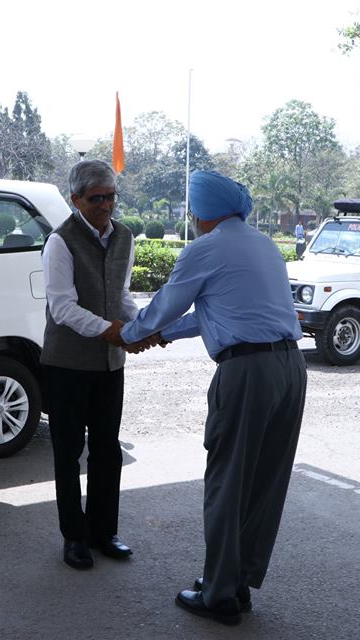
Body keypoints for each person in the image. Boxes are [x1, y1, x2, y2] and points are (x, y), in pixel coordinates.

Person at [119, 170, 307, 626]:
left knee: (227, 481)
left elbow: (168, 305)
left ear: (201, 212)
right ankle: (237, 581)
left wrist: (129, 334)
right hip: (290, 368)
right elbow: (217, 312)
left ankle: (218, 594)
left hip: (246, 372)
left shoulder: (203, 250)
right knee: (264, 483)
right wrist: (163, 335)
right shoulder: (263, 245)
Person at [40, 160, 139, 570]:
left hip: (109, 365)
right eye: (96, 198)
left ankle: (103, 531)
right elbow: (62, 307)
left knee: (107, 449)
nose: (106, 205)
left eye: (111, 196)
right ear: (75, 198)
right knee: (68, 451)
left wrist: (142, 326)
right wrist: (112, 331)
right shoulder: (60, 241)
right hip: (67, 364)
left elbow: (123, 297)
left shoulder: (125, 237)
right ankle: (74, 536)